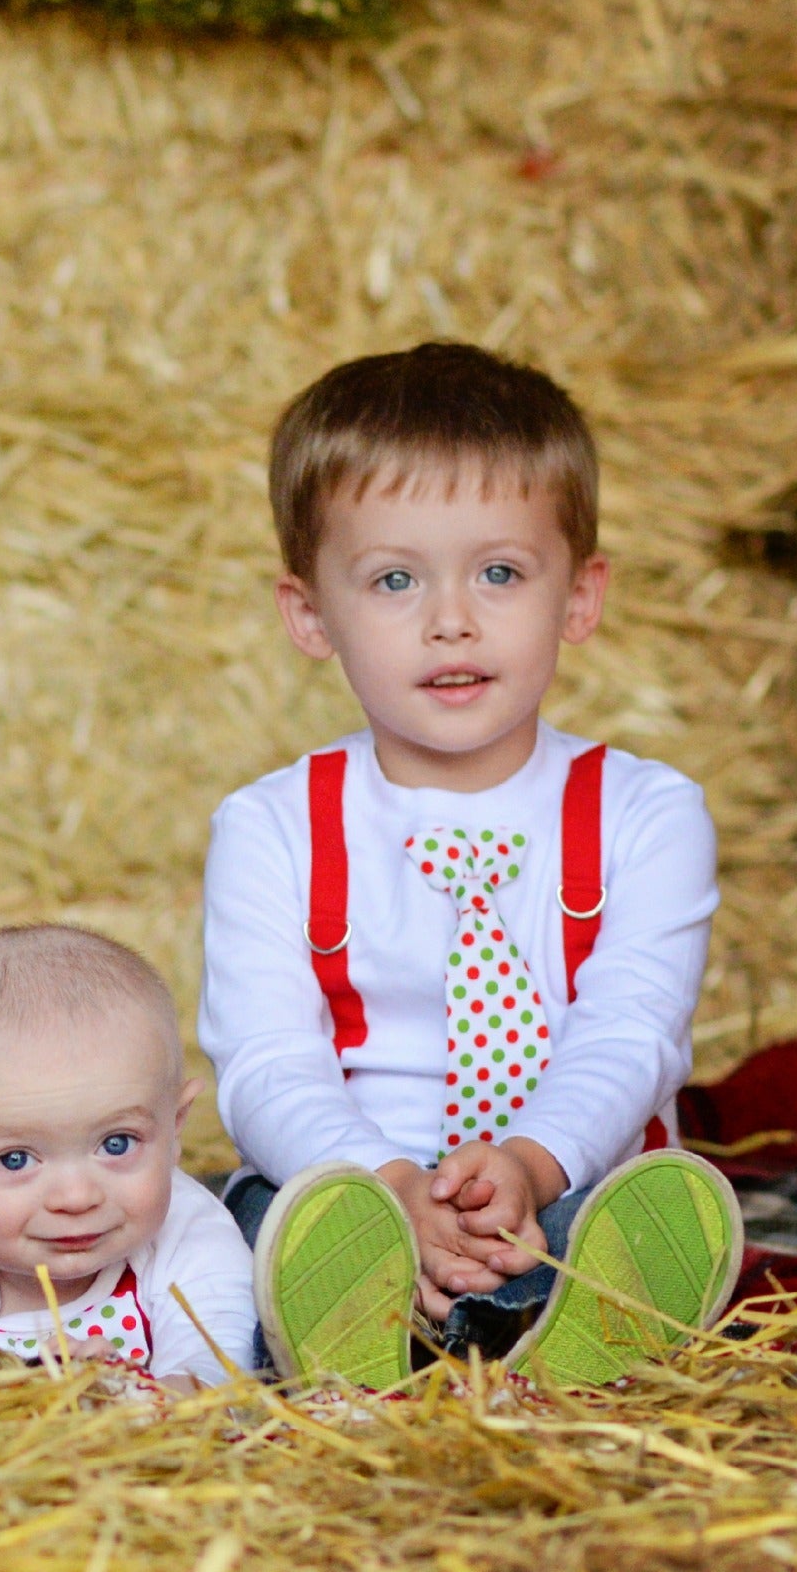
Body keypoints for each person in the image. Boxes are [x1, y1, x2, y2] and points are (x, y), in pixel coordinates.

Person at [199, 343, 744, 1390]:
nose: (452, 618)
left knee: (651, 1208)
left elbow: (631, 1033)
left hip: (565, 1183)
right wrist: (388, 1180)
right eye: (395, 579)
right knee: (252, 1220)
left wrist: (532, 1166)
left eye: (500, 572)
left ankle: (561, 1322)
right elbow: (268, 1063)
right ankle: (391, 1316)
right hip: (360, 1187)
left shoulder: (646, 815)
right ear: (311, 615)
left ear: (580, 598)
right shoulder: (272, 826)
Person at [0, 927, 251, 1389]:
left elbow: (216, 1374)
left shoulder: (189, 1235)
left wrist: (127, 1397)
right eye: (15, 1159)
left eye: (117, 1143)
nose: (76, 1197)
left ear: (175, 1128)